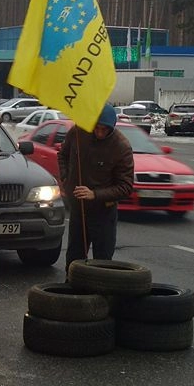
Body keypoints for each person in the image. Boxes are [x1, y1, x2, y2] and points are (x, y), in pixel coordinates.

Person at [58, 104, 134, 269]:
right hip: (79, 208)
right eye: (96, 128)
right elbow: (62, 155)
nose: (99, 133)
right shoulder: (78, 133)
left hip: (103, 212)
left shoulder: (121, 146)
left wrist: (95, 194)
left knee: (103, 260)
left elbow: (126, 187)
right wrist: (66, 179)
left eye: (104, 130)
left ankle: (100, 285)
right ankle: (72, 283)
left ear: (111, 128)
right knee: (74, 257)